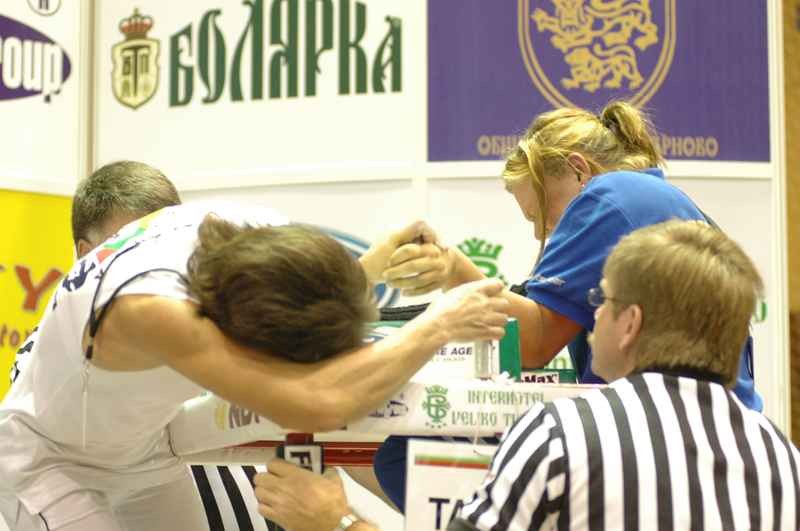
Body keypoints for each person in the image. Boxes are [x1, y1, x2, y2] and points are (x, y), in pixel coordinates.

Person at [0, 165, 509, 530]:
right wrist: (439, 324)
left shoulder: (253, 229)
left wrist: (377, 262)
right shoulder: (150, 311)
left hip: (145, 449)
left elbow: (300, 294)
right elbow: (320, 403)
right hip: (50, 461)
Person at [253, 220, 800, 531]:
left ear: (630, 324)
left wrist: (335, 522)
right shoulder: (785, 460)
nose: (591, 319)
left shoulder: (564, 432)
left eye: (599, 301)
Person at [371, 101, 762, 511]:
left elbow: (533, 342)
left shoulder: (609, 195)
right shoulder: (661, 199)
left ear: (580, 169)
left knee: (403, 455)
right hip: (720, 433)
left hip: (662, 437)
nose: (547, 233)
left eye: (549, 217)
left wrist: (452, 268)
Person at [7, 160, 288, 531]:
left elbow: (330, 419)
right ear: (87, 253)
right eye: (131, 247)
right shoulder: (44, 361)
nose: (155, 261)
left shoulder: (231, 315)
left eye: (166, 240)